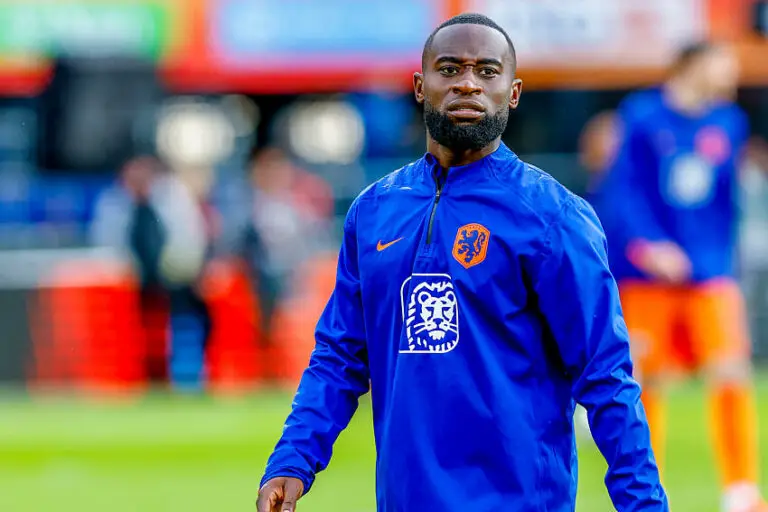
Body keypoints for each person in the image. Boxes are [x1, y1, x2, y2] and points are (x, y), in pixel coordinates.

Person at [257, 13, 667, 512]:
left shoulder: (552, 217)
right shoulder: (374, 211)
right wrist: (293, 459)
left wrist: (644, 504)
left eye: (487, 71)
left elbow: (606, 375)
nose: (468, 84)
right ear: (420, 86)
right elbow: (339, 356)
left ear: (513, 92)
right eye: (449, 69)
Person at [592, 42, 766, 512]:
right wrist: (647, 245)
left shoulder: (729, 121)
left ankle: (741, 489)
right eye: (723, 65)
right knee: (645, 380)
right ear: (694, 65)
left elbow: (727, 200)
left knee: (730, 369)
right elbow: (623, 188)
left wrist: (723, 259)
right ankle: (646, 489)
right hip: (649, 275)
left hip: (710, 273)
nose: (731, 75)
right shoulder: (642, 115)